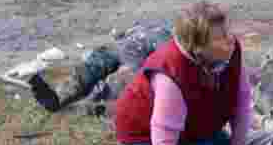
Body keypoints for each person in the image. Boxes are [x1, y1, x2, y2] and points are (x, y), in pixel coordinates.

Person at [115, 2, 253, 145]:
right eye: (220, 38)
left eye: (228, 31)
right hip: (144, 132)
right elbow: (165, 144)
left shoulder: (230, 52)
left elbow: (241, 103)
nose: (230, 40)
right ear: (197, 48)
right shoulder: (171, 73)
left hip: (192, 125)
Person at [29, 19, 173, 114]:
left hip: (131, 44)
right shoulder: (168, 40)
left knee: (99, 72)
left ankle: (68, 97)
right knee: (110, 81)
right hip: (135, 46)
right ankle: (86, 102)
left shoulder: (162, 35)